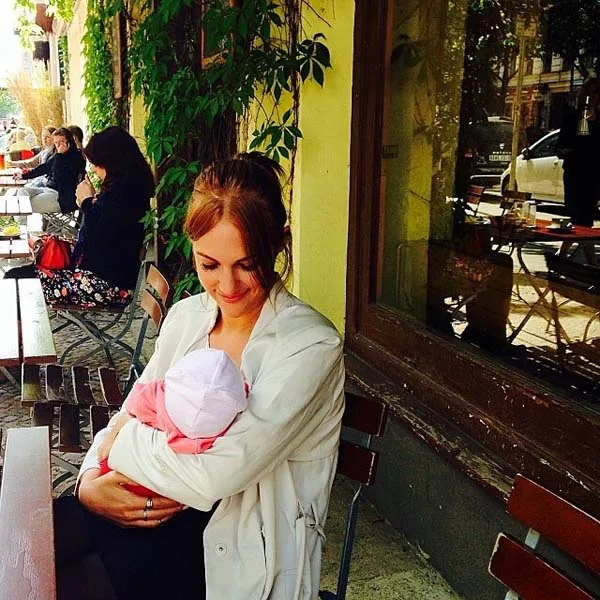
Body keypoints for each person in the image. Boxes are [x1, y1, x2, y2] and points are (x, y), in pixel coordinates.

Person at [53, 151, 345, 600]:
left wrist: (121, 447)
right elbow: (132, 408)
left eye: (247, 264)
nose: (227, 287)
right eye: (209, 265)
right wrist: (90, 482)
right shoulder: (188, 317)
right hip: (155, 517)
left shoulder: (309, 345)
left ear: (280, 244)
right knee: (40, 539)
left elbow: (213, 474)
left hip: (234, 554)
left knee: (63, 578)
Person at [5, 126, 153, 309]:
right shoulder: (127, 189)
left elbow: (96, 237)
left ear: (112, 162)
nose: (94, 169)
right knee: (28, 267)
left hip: (106, 286)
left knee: (18, 279)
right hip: (101, 274)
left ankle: (23, 327)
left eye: (97, 164)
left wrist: (86, 202)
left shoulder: (124, 196)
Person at [98, 347, 248, 497]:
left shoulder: (154, 396)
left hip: (124, 472)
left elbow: (132, 405)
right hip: (173, 492)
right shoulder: (222, 424)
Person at [557, 77, 600, 265]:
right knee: (580, 218)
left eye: (596, 93)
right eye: (589, 93)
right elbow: (561, 147)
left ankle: (563, 255)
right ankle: (590, 261)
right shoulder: (573, 118)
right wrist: (571, 151)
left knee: (584, 218)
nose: (592, 97)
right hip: (575, 174)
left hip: (593, 175)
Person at [15, 127, 86, 214]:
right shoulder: (58, 155)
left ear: (69, 142)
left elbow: (61, 177)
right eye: (56, 142)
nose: (58, 145)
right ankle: (22, 221)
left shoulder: (76, 158)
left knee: (22, 204)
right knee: (22, 192)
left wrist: (60, 156)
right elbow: (44, 168)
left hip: (60, 198)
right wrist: (23, 176)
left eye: (61, 142)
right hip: (47, 189)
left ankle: (21, 222)